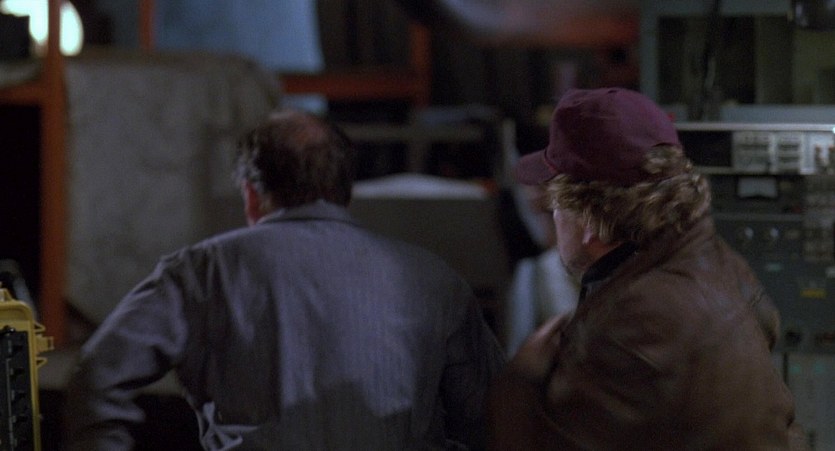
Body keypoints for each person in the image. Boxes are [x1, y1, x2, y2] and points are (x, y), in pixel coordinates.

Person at [64, 109, 505, 450]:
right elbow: (494, 414)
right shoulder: (435, 279)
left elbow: (99, 374)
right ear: (345, 191)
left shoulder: (204, 271)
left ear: (251, 194)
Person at [487, 87, 808, 450]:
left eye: (556, 205)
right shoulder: (718, 264)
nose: (553, 217)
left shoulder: (632, 323)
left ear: (588, 216)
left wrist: (519, 384)